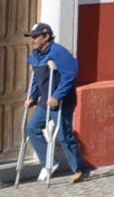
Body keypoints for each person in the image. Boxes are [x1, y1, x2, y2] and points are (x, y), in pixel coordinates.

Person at [24, 22, 91, 183]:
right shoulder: (35, 56)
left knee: (64, 136)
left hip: (62, 102)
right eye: (31, 37)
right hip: (44, 102)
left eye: (35, 37)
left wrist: (57, 96)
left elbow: (70, 75)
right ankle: (49, 162)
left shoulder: (59, 52)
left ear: (46, 37)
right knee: (32, 128)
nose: (32, 40)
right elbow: (36, 80)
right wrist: (32, 97)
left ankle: (80, 169)